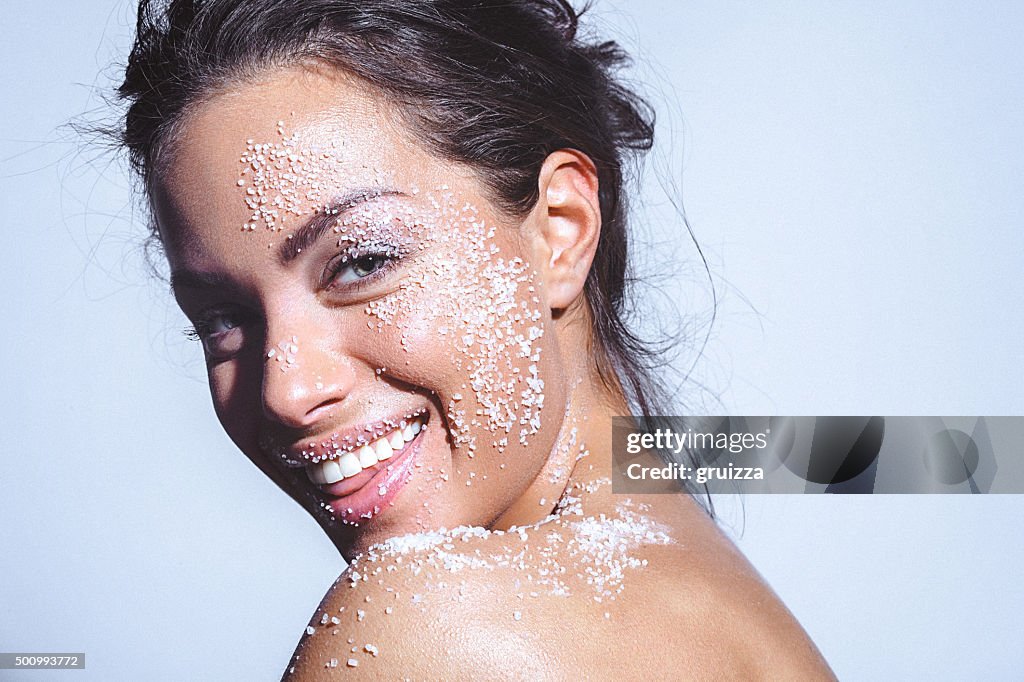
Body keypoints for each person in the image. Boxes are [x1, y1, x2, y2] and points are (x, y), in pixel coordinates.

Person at [118, 0, 834, 677]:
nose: (287, 391)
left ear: (559, 228)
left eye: (362, 263)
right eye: (221, 319)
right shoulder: (710, 592)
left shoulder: (424, 623)